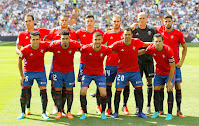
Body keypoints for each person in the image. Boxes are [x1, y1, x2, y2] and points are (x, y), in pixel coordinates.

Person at [110, 28, 151, 119]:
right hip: (122, 71)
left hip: (134, 71)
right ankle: (116, 112)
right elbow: (108, 49)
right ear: (122, 35)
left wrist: (156, 43)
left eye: (129, 34)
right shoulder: (118, 44)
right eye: (126, 34)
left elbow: (145, 44)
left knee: (139, 90)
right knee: (118, 91)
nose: (127, 36)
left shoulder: (136, 42)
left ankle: (140, 112)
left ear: (131, 35)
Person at [16, 14, 50, 115]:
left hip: (39, 67)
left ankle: (44, 111)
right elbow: (17, 48)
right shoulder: (22, 34)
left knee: (42, 89)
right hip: (27, 66)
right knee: (27, 89)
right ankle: (27, 109)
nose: (28, 23)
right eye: (26, 21)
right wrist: (21, 53)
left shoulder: (41, 31)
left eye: (29, 21)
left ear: (33, 21)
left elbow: (53, 33)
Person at [154, 15, 187, 117]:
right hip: (163, 66)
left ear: (173, 22)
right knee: (161, 87)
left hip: (175, 66)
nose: (167, 23)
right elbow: (148, 27)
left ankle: (178, 110)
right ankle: (160, 110)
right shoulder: (160, 31)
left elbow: (185, 48)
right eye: (165, 21)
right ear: (163, 22)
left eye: (169, 21)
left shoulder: (178, 34)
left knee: (176, 86)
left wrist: (181, 61)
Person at [45, 14, 77, 115]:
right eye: (62, 20)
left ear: (68, 21)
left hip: (67, 64)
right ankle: (56, 105)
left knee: (65, 86)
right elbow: (45, 42)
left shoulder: (72, 32)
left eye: (65, 20)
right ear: (59, 21)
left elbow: (75, 44)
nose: (64, 22)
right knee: (54, 86)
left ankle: (62, 108)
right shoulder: (54, 31)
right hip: (56, 63)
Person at [138, 33, 175, 120]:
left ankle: (169, 114)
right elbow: (143, 51)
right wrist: (130, 53)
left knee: (169, 89)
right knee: (156, 90)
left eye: (159, 41)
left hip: (169, 72)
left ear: (162, 41)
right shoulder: (151, 48)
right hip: (159, 72)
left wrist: (169, 81)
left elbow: (172, 67)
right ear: (153, 42)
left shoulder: (168, 50)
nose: (158, 43)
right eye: (156, 41)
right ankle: (157, 111)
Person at [47, 29, 81, 119]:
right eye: (63, 38)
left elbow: (84, 48)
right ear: (60, 38)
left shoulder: (74, 44)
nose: (65, 40)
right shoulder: (54, 44)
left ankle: (69, 112)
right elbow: (44, 48)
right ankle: (59, 111)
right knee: (57, 90)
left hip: (69, 71)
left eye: (66, 38)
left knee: (69, 90)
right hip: (57, 71)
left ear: (69, 38)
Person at [79, 32, 112, 120]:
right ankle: (84, 112)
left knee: (103, 92)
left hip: (99, 74)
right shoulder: (86, 48)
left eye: (99, 40)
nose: (97, 41)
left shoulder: (105, 49)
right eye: (95, 39)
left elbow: (115, 51)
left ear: (102, 40)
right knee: (83, 91)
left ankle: (103, 112)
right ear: (92, 40)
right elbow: (78, 49)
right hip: (87, 73)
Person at [76, 15, 104, 115]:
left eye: (91, 21)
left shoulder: (99, 33)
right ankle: (82, 108)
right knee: (83, 86)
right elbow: (72, 40)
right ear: (85, 22)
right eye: (87, 21)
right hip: (83, 63)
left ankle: (98, 106)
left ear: (94, 22)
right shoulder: (80, 32)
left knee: (99, 86)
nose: (89, 23)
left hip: (97, 63)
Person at [102, 14, 130, 115]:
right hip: (110, 64)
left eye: (118, 21)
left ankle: (124, 106)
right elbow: (101, 47)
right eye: (114, 21)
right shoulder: (107, 34)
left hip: (123, 64)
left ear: (121, 22)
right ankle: (109, 108)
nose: (116, 23)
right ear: (112, 22)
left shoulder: (126, 33)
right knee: (108, 85)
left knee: (126, 84)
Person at [132, 12, 157, 115]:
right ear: (137, 19)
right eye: (139, 18)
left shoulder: (152, 29)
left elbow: (156, 42)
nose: (141, 20)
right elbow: (125, 37)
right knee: (137, 85)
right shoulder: (134, 30)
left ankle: (148, 106)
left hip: (149, 60)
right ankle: (138, 107)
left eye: (143, 18)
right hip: (137, 61)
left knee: (149, 82)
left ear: (147, 19)